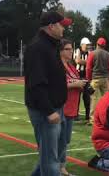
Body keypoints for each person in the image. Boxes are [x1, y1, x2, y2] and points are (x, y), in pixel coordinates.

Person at [24, 11, 72, 176]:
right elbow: (35, 84)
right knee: (50, 160)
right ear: (51, 26)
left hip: (54, 108)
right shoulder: (38, 48)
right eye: (61, 25)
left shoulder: (50, 45)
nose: (63, 29)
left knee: (51, 155)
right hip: (46, 111)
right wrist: (49, 110)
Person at [59, 39, 87, 176]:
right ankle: (60, 168)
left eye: (71, 49)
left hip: (71, 109)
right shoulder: (58, 66)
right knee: (61, 140)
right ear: (60, 51)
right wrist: (76, 84)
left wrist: (82, 84)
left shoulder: (70, 66)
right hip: (62, 108)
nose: (70, 51)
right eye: (67, 49)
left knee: (65, 140)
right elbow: (57, 85)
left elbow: (74, 80)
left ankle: (59, 167)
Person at [86, 37, 109, 124]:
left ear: (97, 44)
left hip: (95, 79)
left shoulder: (92, 53)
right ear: (104, 46)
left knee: (94, 99)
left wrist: (89, 79)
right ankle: (107, 117)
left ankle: (93, 119)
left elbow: (88, 68)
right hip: (105, 79)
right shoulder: (108, 55)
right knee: (107, 99)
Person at [74, 37, 92, 123]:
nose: (88, 46)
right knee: (77, 96)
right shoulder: (78, 50)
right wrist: (87, 62)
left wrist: (85, 62)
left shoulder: (89, 52)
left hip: (86, 76)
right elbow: (77, 60)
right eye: (86, 45)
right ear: (82, 45)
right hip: (78, 76)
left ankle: (88, 115)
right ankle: (75, 114)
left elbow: (90, 62)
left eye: (88, 45)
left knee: (87, 97)